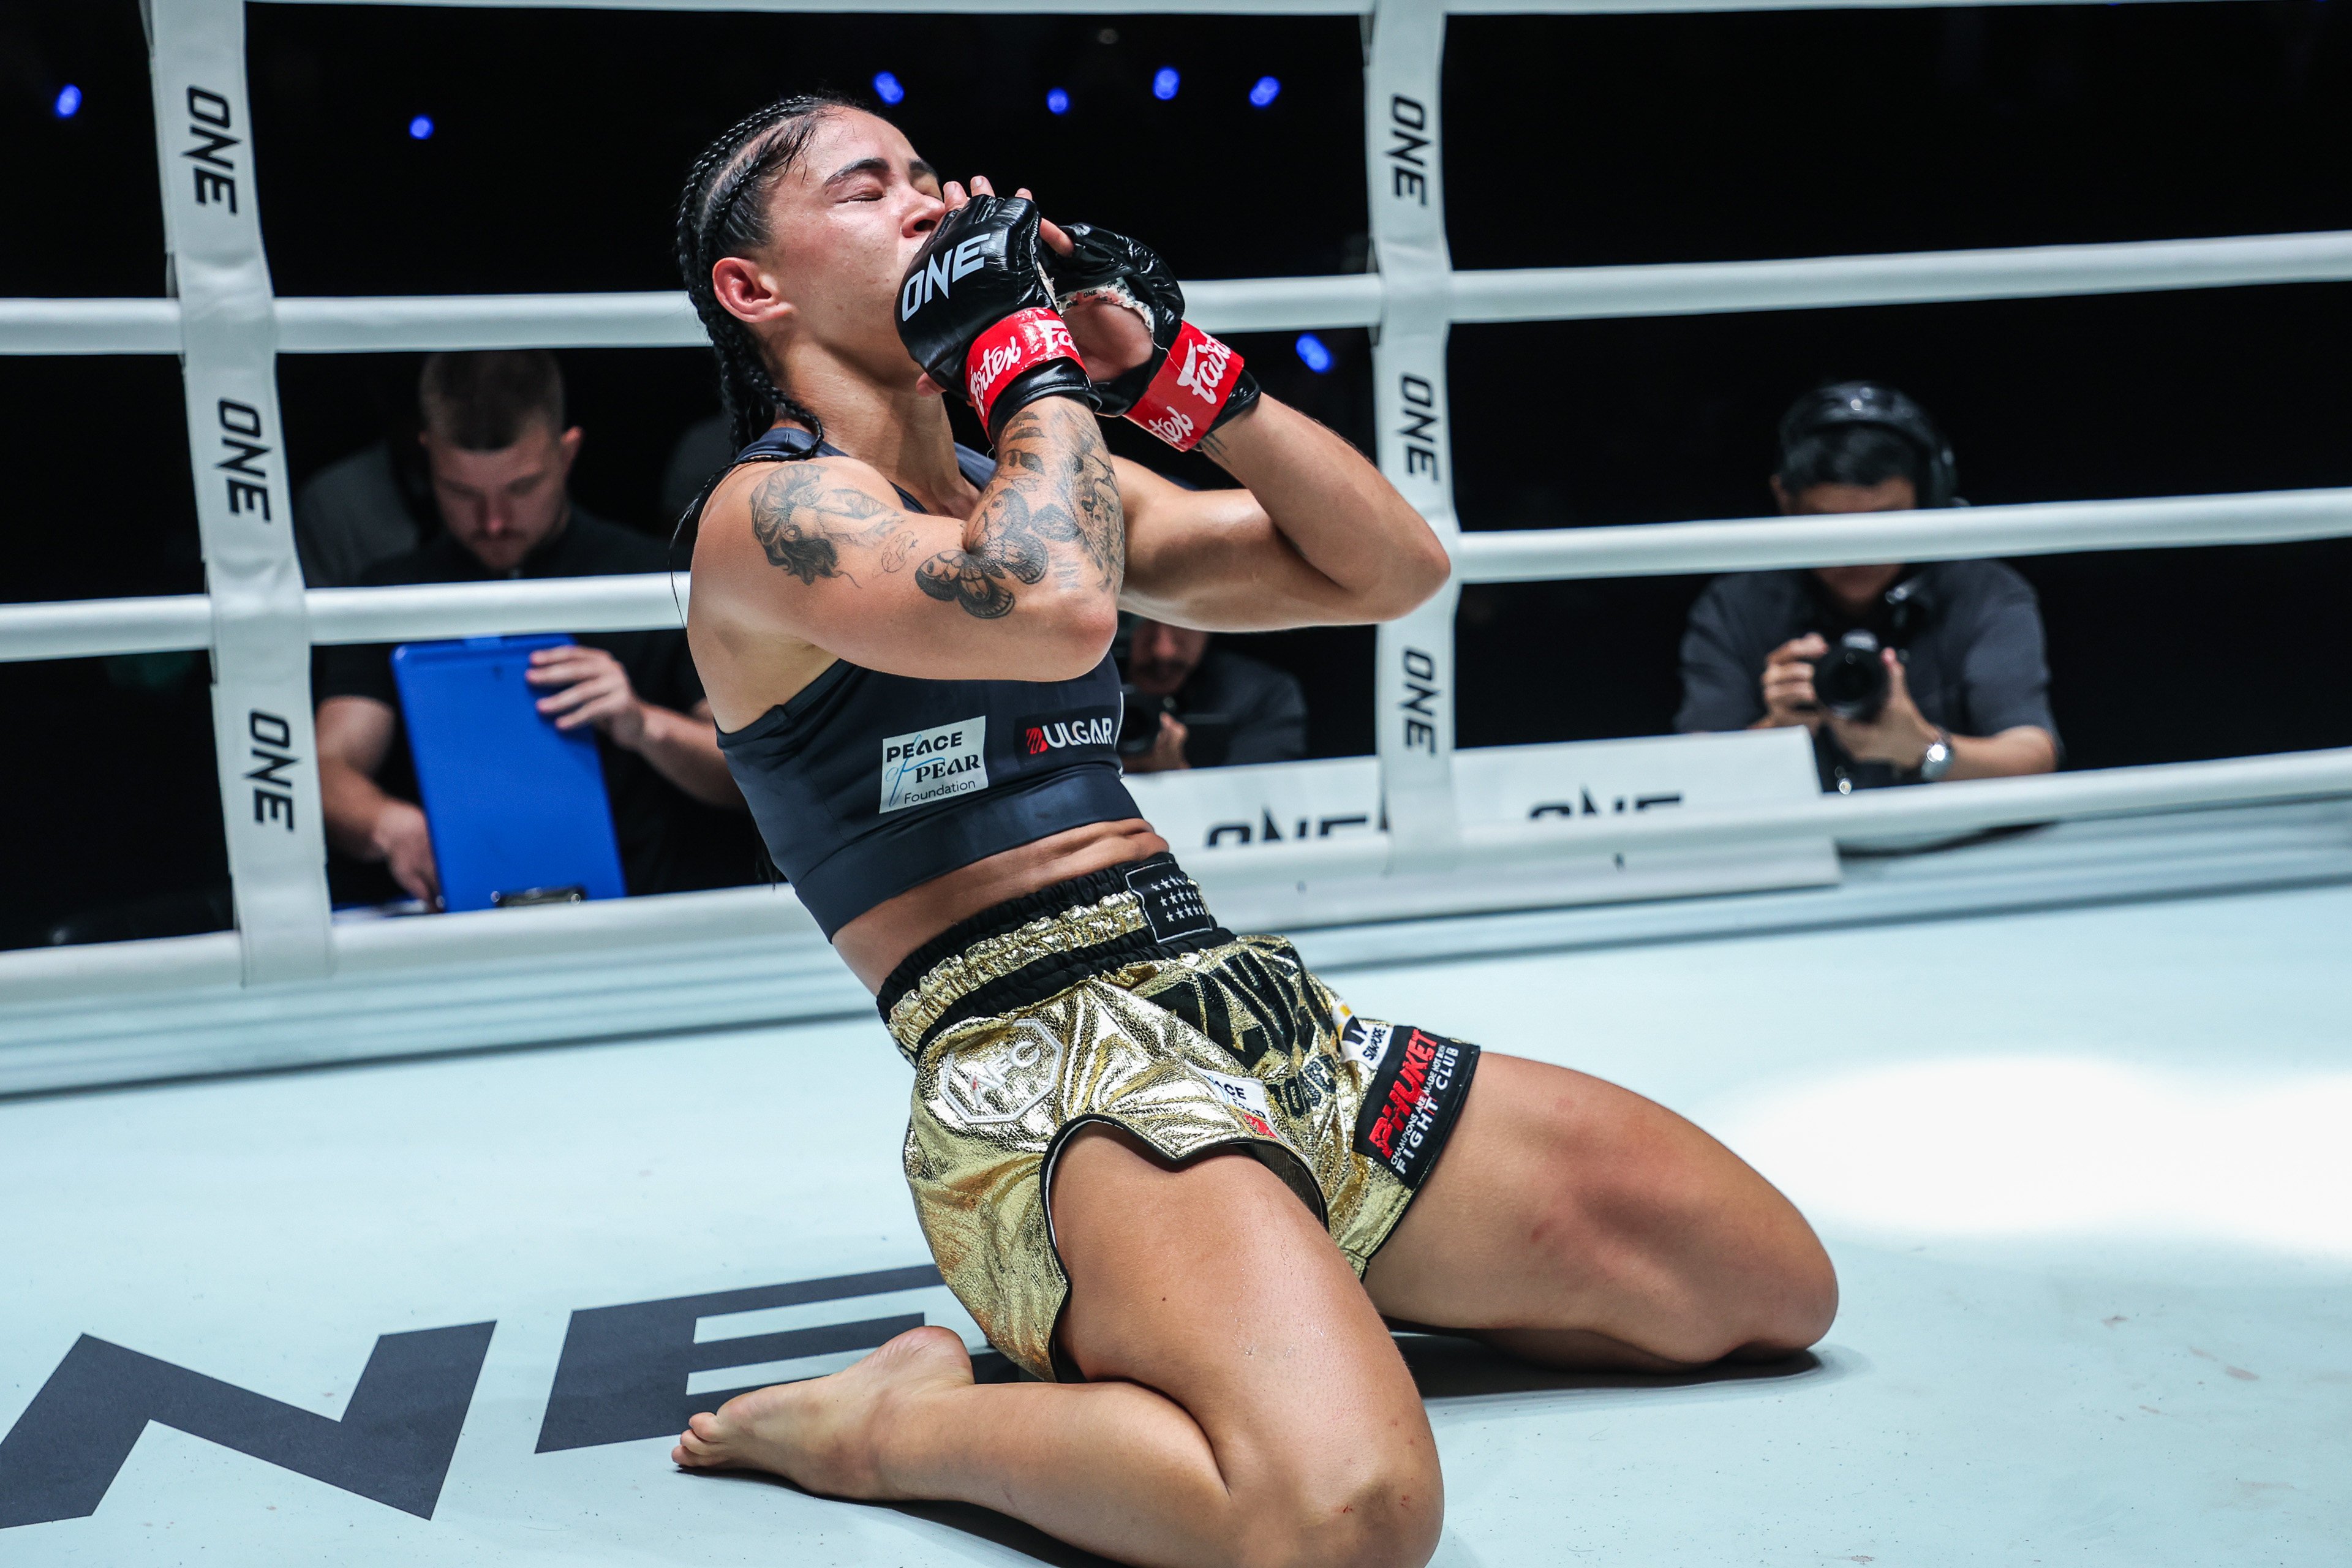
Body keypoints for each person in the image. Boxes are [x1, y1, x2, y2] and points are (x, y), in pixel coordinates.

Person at [666, 96, 1836, 1568]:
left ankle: (1267, 1282)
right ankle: (897, 1418)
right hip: (1039, 1067)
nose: (925, 202)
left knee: (1756, 1282)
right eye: (865, 189)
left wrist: (1174, 376)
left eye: (924, 176)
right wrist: (1016, 359)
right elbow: (1051, 607)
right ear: (752, 288)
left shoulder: (1024, 484)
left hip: (1233, 1001)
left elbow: (1388, 567)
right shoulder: (763, 515)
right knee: (1340, 1514)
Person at [314, 350, 753, 907]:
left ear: (567, 454)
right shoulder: (392, 593)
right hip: (454, 919)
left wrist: (641, 723)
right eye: (463, 493)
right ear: (428, 458)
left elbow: (749, 774)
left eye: (521, 489)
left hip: (639, 917)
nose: (493, 521)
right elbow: (329, 766)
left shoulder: (655, 578)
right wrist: (388, 826)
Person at [1676, 382, 2061, 791]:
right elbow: (1690, 781)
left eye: (1882, 524)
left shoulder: (1985, 593)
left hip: (1952, 845)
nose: (1857, 554)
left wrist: (1922, 748)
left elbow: (2033, 755)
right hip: (1798, 850)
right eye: (1829, 526)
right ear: (1786, 503)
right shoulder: (1734, 607)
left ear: (1926, 500)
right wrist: (1772, 734)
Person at [1118, 614, 1308, 772]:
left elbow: (1257, 806)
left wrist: (1175, 776)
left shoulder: (1263, 696)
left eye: (1182, 620)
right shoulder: (1089, 684)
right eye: (1141, 620)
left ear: (1212, 619)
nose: (1163, 651)